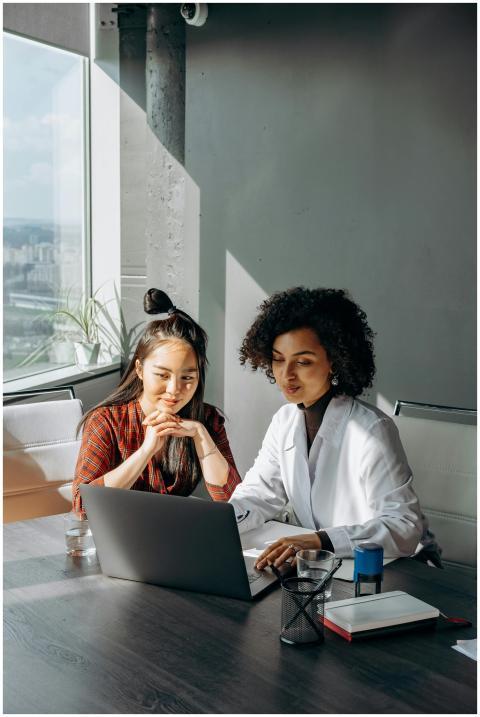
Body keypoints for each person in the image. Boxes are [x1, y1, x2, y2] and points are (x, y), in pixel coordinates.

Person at [228, 287, 438, 569]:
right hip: (322, 569)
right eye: (278, 359)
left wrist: (321, 541)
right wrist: (218, 522)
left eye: (303, 361)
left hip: (388, 571)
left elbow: (403, 527)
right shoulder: (285, 421)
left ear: (335, 361)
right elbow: (258, 494)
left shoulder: (372, 430)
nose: (286, 374)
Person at [73, 289, 240, 513]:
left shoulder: (207, 420)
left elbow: (235, 503)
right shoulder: (106, 421)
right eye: (162, 375)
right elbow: (82, 508)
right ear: (140, 369)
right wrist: (146, 451)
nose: (174, 390)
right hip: (119, 536)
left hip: (172, 535)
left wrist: (201, 435)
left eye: (187, 377)